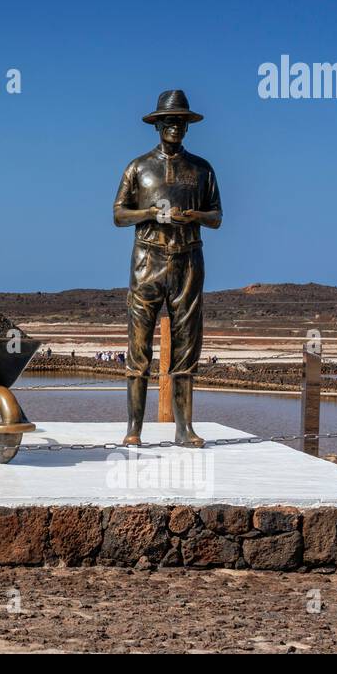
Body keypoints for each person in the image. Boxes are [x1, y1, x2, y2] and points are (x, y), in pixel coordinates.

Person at [113, 90, 222, 448]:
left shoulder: (202, 169)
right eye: (170, 121)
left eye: (181, 122)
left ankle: (184, 428)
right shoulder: (138, 168)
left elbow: (217, 216)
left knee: (187, 344)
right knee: (139, 346)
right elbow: (118, 214)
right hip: (148, 261)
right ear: (158, 125)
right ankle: (134, 428)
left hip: (188, 260)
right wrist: (148, 213)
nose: (176, 127)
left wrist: (195, 217)